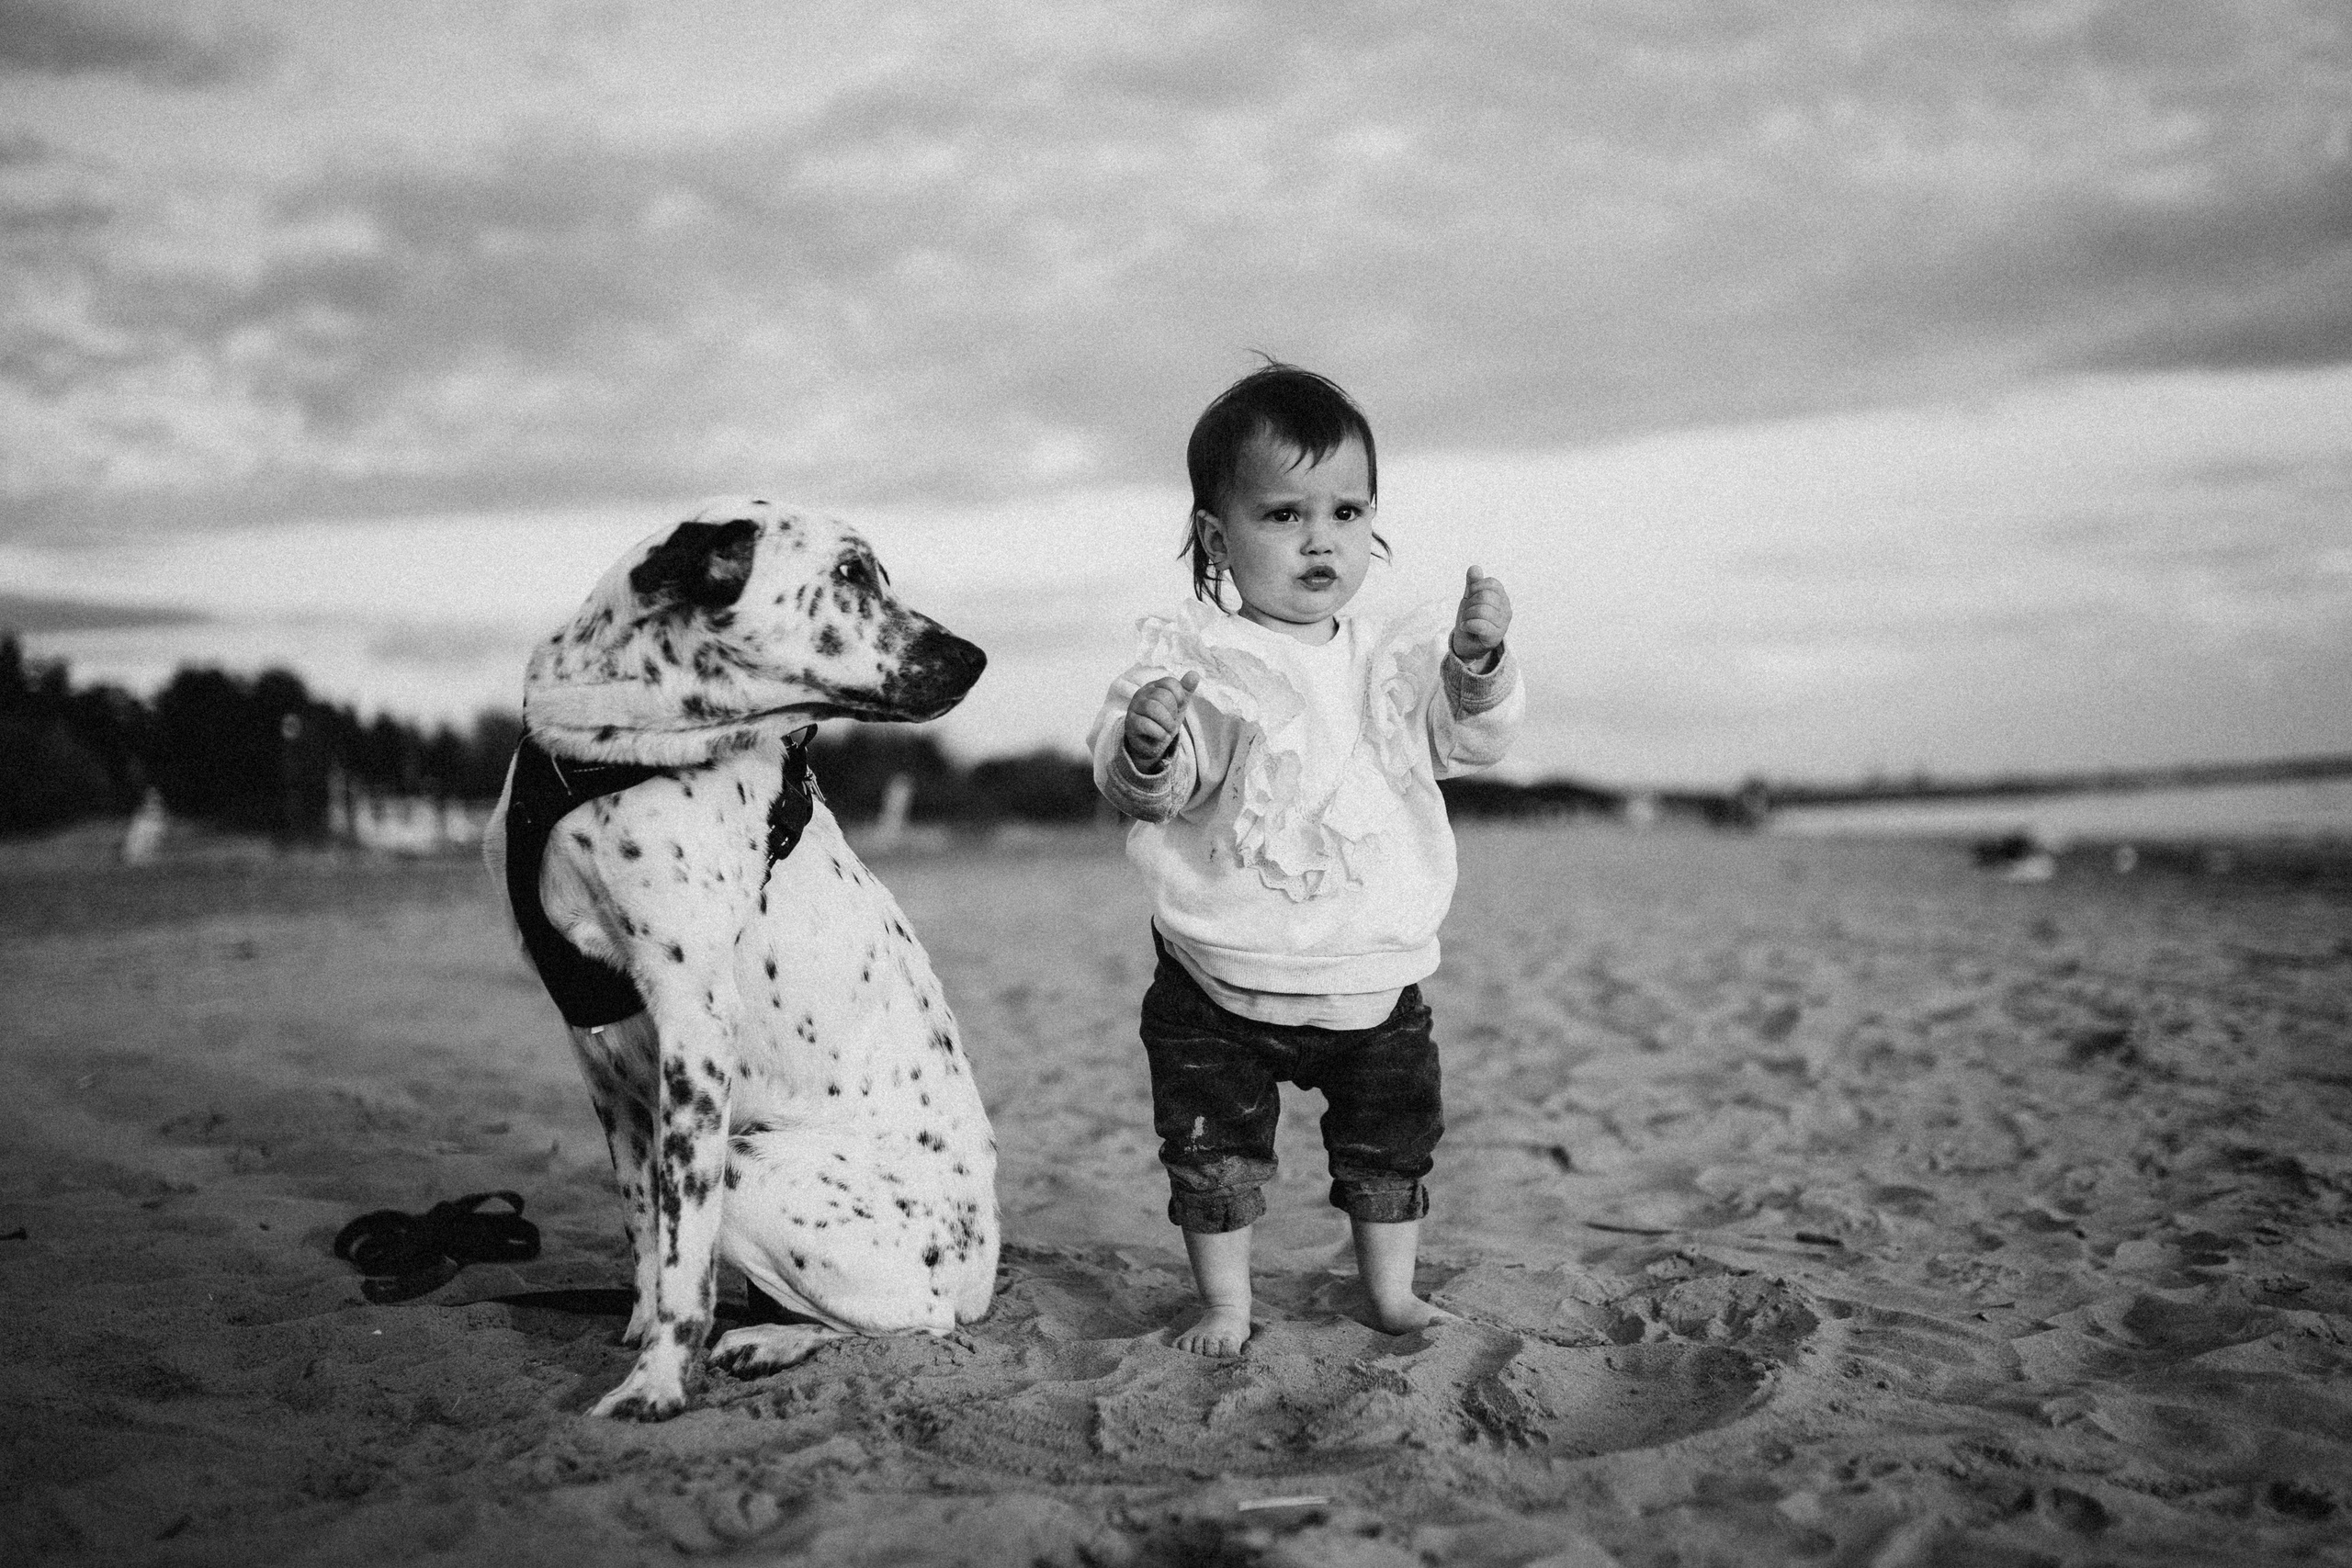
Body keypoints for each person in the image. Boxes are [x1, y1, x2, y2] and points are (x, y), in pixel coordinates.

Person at [1089, 362, 1522, 1356]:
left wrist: (1479, 668)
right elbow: (1158, 779)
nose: (1320, 538)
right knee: (1212, 1151)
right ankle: (1227, 1303)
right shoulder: (1197, 657)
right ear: (1215, 536)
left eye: (1347, 509)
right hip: (1218, 974)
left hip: (1374, 970)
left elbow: (1471, 739)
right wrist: (1153, 746)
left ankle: (1391, 1292)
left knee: (1390, 1144)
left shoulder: (1398, 659)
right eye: (1283, 514)